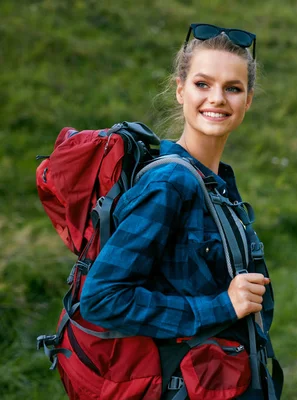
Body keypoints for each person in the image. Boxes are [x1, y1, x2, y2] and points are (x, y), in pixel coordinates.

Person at [79, 24, 280, 399]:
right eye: (203, 84)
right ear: (179, 90)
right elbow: (102, 299)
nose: (217, 98)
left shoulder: (214, 182)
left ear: (248, 100)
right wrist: (222, 305)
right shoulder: (170, 183)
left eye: (232, 88)